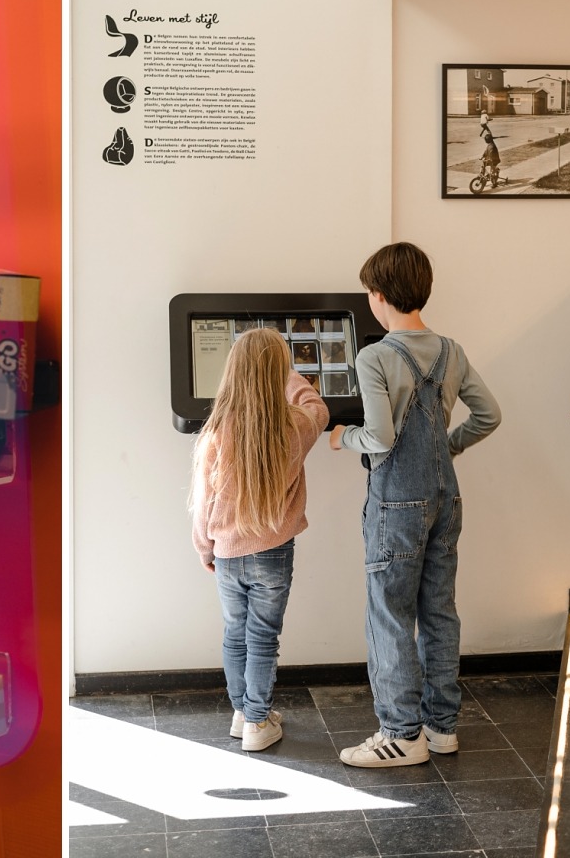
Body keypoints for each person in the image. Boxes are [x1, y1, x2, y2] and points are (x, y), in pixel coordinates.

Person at [328, 242, 501, 768]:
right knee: (439, 611)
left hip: (396, 502)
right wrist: (447, 447)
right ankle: (440, 727)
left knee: (390, 616)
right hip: (446, 497)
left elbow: (378, 437)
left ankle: (401, 735)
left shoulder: (376, 355)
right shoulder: (451, 350)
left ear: (378, 296)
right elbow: (488, 415)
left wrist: (342, 437)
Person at [190, 327, 328, 751]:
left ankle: (243, 713)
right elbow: (318, 408)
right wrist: (288, 374)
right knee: (264, 636)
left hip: (227, 553)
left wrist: (204, 549)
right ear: (277, 373)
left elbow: (203, 501)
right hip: (272, 553)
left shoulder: (216, 431)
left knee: (235, 633)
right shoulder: (295, 427)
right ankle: (256, 720)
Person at [478, 114, 501, 186]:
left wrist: (488, 159)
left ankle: (494, 182)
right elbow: (486, 151)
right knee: (483, 166)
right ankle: (481, 175)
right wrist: (482, 156)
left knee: (492, 171)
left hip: (494, 160)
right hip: (490, 159)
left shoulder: (492, 147)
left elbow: (491, 154)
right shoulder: (489, 145)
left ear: (487, 141)